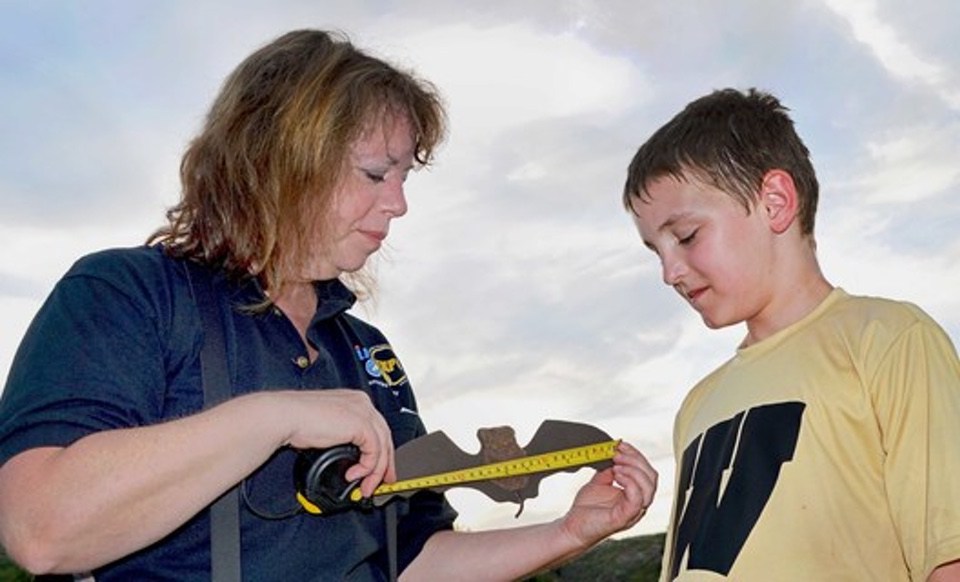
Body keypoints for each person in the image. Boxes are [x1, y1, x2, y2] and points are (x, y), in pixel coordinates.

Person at [0, 29, 658, 580]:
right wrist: (273, 418)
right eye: (376, 173)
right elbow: (40, 529)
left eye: (405, 177)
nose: (399, 203)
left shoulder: (365, 352)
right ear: (281, 159)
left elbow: (412, 561)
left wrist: (569, 532)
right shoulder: (129, 295)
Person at [621, 87, 960, 581]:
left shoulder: (887, 340)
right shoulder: (698, 404)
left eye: (687, 236)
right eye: (656, 250)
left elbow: (947, 556)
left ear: (775, 203)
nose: (670, 272)